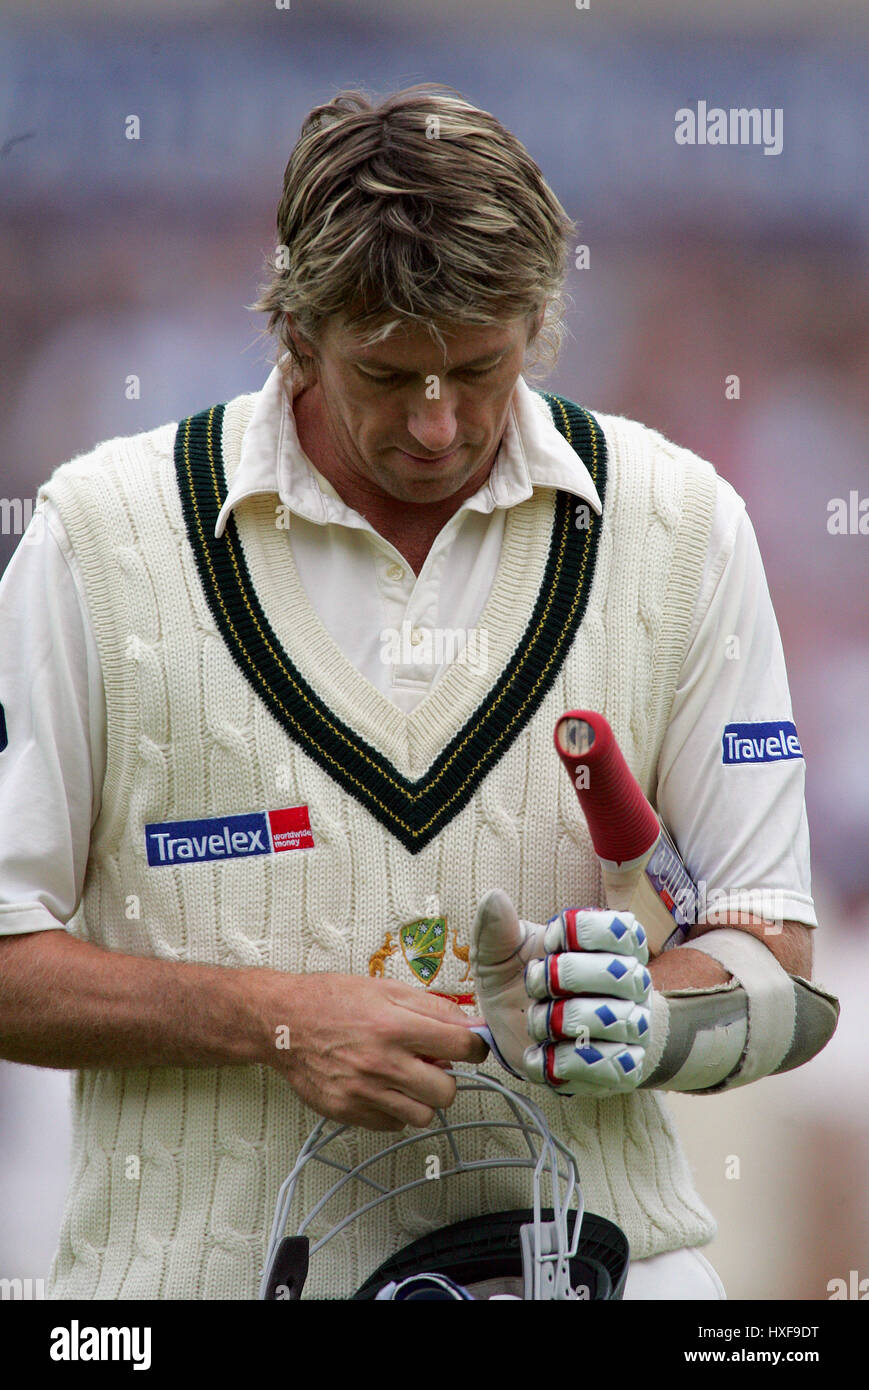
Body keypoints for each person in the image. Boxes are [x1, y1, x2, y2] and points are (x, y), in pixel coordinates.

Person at [0, 85, 834, 1301]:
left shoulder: (681, 525)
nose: (438, 425)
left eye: (479, 369)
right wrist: (278, 1020)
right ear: (294, 330)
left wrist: (645, 1021)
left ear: (541, 322)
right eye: (387, 375)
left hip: (604, 1272)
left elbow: (782, 968)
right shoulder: (99, 537)